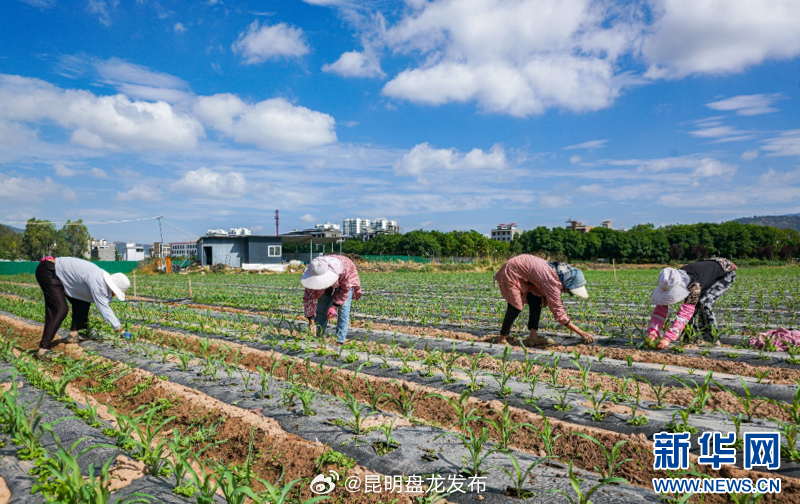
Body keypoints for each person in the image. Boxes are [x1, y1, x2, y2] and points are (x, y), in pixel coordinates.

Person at [35, 256, 132, 359]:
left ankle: (74, 334)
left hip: (56, 272)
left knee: (83, 302)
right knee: (59, 309)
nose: (115, 295)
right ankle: (44, 349)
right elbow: (104, 309)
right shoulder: (99, 281)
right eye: (116, 292)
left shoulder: (100, 277)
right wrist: (120, 330)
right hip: (49, 271)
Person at [494, 254, 594, 347]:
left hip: (523, 269)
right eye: (570, 291)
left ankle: (533, 337)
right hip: (512, 270)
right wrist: (581, 332)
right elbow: (559, 314)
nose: (568, 293)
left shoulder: (556, 273)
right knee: (516, 307)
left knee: (536, 300)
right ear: (568, 284)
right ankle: (502, 338)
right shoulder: (552, 282)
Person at [646, 257, 737, 350]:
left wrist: (668, 338)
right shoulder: (668, 280)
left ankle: (711, 340)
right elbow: (660, 310)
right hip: (703, 273)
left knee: (703, 303)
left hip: (725, 271)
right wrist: (652, 335)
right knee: (693, 303)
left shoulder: (694, 286)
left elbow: (685, 313)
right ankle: (689, 337)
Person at [301, 255, 363, 345]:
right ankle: (317, 336)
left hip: (345, 282)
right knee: (322, 308)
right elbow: (309, 299)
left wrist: (335, 306)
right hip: (332, 283)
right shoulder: (313, 271)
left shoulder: (343, 268)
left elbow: (345, 289)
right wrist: (311, 321)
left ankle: (340, 340)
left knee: (343, 309)